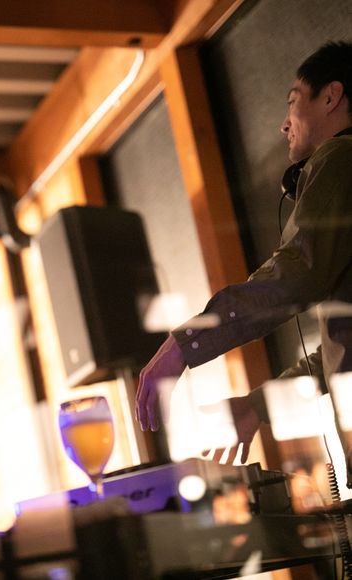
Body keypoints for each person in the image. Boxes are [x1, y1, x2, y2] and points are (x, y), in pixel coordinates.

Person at [136, 41, 352, 468]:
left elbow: (297, 273)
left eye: (293, 102)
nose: (284, 125)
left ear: (331, 96)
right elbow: (337, 353)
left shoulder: (341, 155)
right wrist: (256, 405)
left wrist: (188, 341)